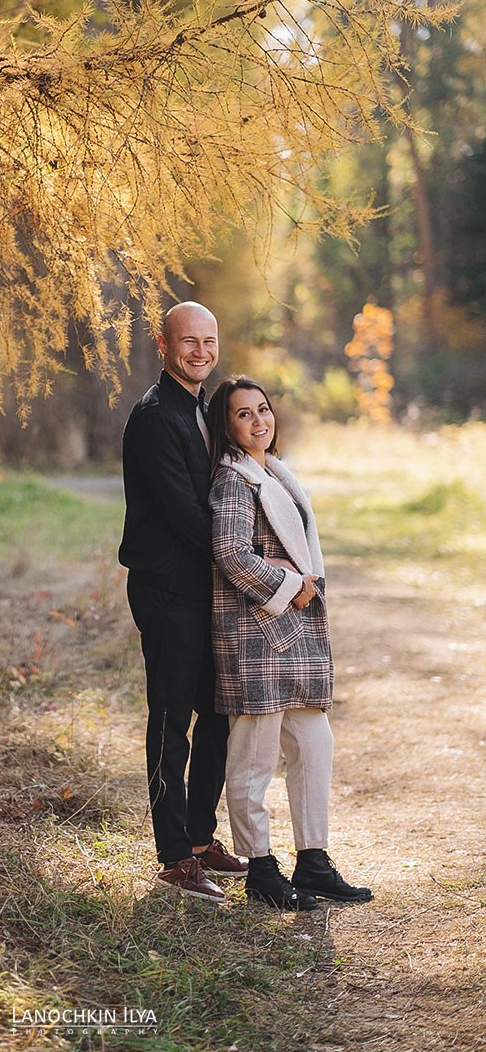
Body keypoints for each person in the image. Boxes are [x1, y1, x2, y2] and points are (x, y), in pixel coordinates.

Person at [206, 375, 373, 910]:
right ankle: (259, 868)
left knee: (314, 744)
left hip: (292, 633)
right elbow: (231, 554)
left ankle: (314, 861)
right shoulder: (232, 480)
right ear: (226, 426)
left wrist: (299, 582)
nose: (259, 421)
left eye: (263, 410)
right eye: (243, 414)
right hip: (254, 635)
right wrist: (289, 584)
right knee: (253, 757)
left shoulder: (275, 472)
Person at [119, 301, 246, 902]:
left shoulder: (203, 407)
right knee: (173, 720)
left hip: (206, 589)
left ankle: (199, 838)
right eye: (188, 342)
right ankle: (173, 857)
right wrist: (248, 560)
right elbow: (187, 516)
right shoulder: (152, 418)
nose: (200, 351)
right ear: (165, 346)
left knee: (218, 713)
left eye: (209, 341)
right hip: (167, 589)